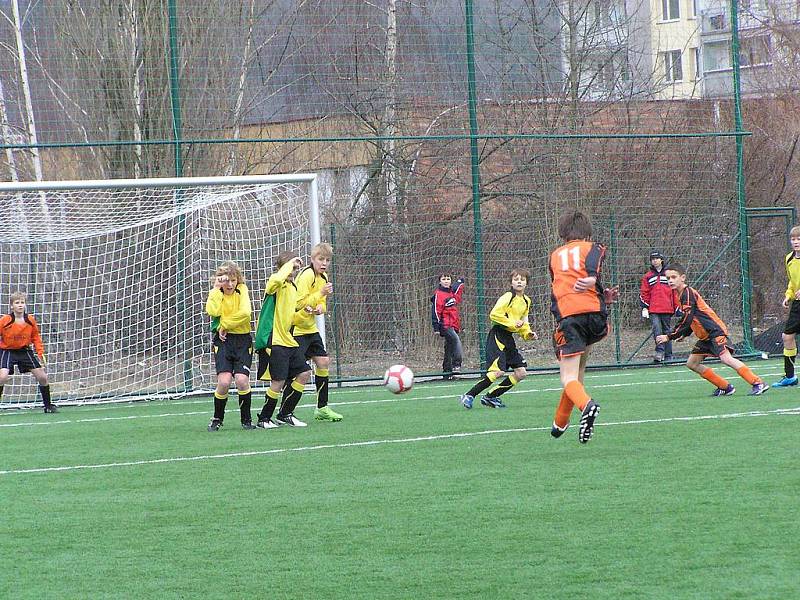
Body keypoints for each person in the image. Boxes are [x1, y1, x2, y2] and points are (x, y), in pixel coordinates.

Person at [549, 210, 619, 444]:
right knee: (578, 373)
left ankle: (587, 406)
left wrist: (590, 277)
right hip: (596, 316)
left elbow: (569, 280)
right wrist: (599, 290)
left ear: (563, 233)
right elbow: (595, 255)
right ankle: (560, 423)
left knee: (567, 377)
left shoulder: (555, 255)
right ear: (586, 232)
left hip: (570, 318)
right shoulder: (592, 246)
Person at [655, 261, 768, 396]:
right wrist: (685, 333)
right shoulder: (679, 295)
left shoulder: (687, 293)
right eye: (668, 278)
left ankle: (757, 382)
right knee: (692, 363)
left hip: (714, 331)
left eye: (674, 277)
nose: (670, 281)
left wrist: (669, 336)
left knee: (726, 359)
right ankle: (725, 387)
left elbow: (688, 317)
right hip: (705, 336)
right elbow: (693, 317)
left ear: (683, 278)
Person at [460, 269, 536, 409]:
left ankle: (490, 397)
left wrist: (528, 334)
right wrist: (513, 323)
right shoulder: (508, 297)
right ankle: (469, 394)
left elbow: (524, 322)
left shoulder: (526, 301)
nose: (519, 281)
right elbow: (494, 315)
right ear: (511, 282)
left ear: (527, 283)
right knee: (497, 372)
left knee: (521, 373)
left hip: (509, 338)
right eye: (516, 279)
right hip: (498, 335)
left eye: (522, 279)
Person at [253, 251, 313, 428]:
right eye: (291, 268)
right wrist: (289, 265)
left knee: (303, 373)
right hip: (274, 340)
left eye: (295, 269)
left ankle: (285, 413)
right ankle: (264, 419)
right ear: (282, 268)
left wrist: (305, 313)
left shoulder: (293, 288)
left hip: (288, 340)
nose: (293, 272)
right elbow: (276, 281)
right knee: (278, 381)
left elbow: (291, 318)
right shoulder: (275, 283)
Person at [204, 262, 256, 431]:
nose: (230, 284)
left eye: (233, 280)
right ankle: (217, 418)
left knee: (241, 380)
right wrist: (214, 290)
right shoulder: (217, 293)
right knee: (224, 382)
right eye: (226, 281)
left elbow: (245, 313)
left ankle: (246, 420)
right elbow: (213, 311)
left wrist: (224, 325)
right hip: (223, 342)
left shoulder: (243, 290)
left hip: (242, 341)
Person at [294, 242, 342, 421]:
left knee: (323, 361)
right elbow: (298, 303)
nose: (324, 263)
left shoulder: (324, 277)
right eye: (321, 259)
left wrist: (321, 308)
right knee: (297, 373)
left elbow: (321, 302)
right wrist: (319, 295)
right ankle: (284, 411)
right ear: (312, 259)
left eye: (327, 260)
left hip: (310, 329)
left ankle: (322, 407)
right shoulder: (306, 275)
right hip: (296, 329)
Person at [0, 291, 56, 413]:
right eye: (17, 303)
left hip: (24, 351)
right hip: (7, 351)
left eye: (22, 302)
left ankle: (48, 406)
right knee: (2, 377)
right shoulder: (5, 320)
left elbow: (36, 336)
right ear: (11, 306)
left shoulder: (30, 320)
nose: (20, 305)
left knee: (43, 377)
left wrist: (40, 352)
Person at [773, 226, 800, 387]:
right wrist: (788, 296)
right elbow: (792, 282)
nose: (796, 242)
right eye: (793, 239)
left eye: (798, 239)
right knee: (787, 337)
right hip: (797, 305)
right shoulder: (789, 258)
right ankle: (790, 376)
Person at [639, 250, 676, 363]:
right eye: (652, 259)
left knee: (667, 331)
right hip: (653, 308)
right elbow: (644, 292)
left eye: (656, 258)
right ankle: (660, 351)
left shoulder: (669, 274)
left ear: (661, 260)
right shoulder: (648, 276)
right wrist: (644, 306)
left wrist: (677, 306)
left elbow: (675, 291)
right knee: (656, 328)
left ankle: (669, 355)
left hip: (667, 308)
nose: (654, 261)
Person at [431, 273, 465, 380]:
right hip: (445, 325)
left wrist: (460, 282)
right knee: (456, 341)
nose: (446, 281)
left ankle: (447, 371)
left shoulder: (452, 294)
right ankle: (456, 366)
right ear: (440, 281)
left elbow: (458, 289)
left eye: (448, 279)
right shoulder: (438, 294)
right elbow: (436, 311)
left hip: (454, 325)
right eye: (443, 279)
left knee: (449, 347)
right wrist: (436, 327)